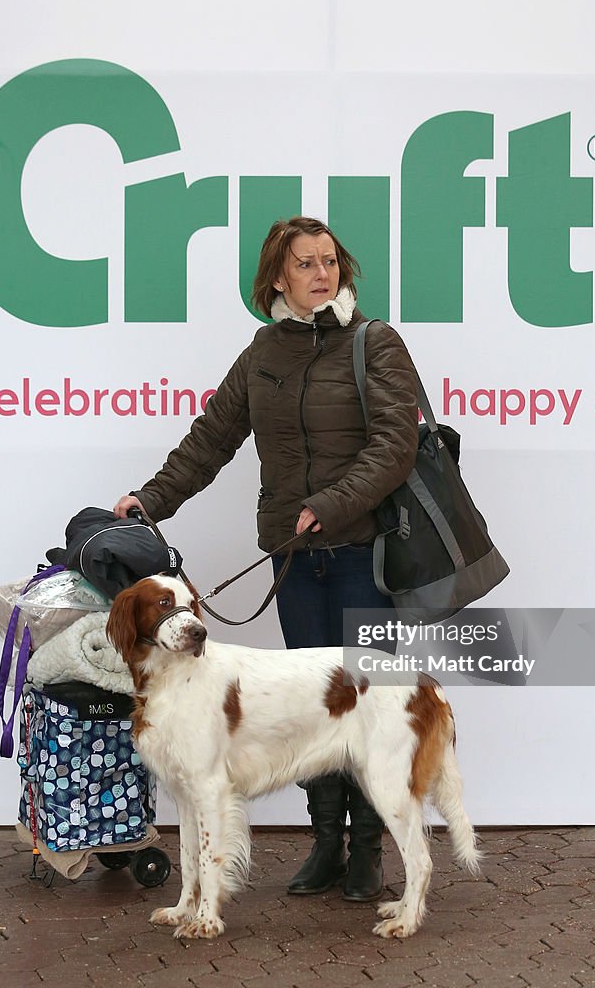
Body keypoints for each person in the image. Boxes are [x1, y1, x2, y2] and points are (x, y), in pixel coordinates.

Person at [114, 216, 419, 902]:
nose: (321, 273)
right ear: (277, 278)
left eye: (330, 261)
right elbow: (210, 439)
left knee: (365, 708)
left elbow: (396, 444)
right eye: (305, 263)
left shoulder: (377, 343)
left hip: (361, 556)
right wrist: (151, 500)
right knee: (305, 711)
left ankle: (369, 851)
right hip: (294, 564)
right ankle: (326, 846)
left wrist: (334, 503)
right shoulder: (262, 354)